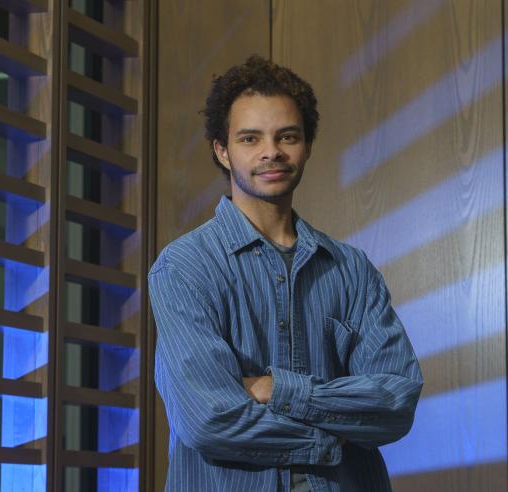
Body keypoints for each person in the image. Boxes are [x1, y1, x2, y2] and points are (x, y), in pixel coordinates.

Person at [149, 55, 424, 491]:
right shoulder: (185, 266)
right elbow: (209, 419)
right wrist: (334, 436)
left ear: (307, 145)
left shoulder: (352, 269)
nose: (271, 152)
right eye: (250, 138)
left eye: (287, 136)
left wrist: (276, 389)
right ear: (222, 150)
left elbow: (394, 403)